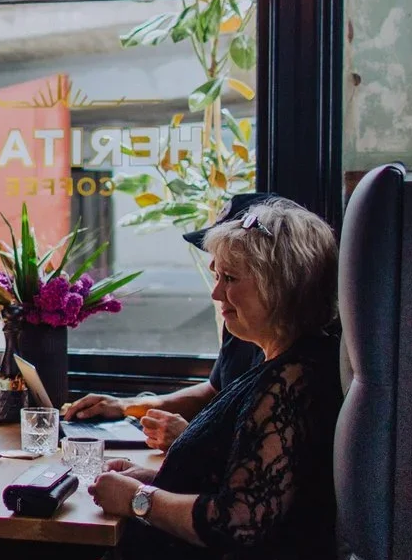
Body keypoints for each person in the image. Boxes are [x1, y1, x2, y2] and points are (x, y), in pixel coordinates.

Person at [0, 196, 342, 560]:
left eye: (232, 280)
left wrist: (139, 501)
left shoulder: (290, 384)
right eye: (217, 276)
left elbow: (236, 521)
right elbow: (243, 483)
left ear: (279, 286)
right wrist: (150, 479)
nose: (217, 294)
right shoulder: (272, 363)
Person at [62, 190, 270, 449]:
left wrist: (191, 441)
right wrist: (126, 406)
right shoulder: (241, 326)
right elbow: (216, 392)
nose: (216, 291)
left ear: (270, 278)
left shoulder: (293, 367)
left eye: (230, 275)